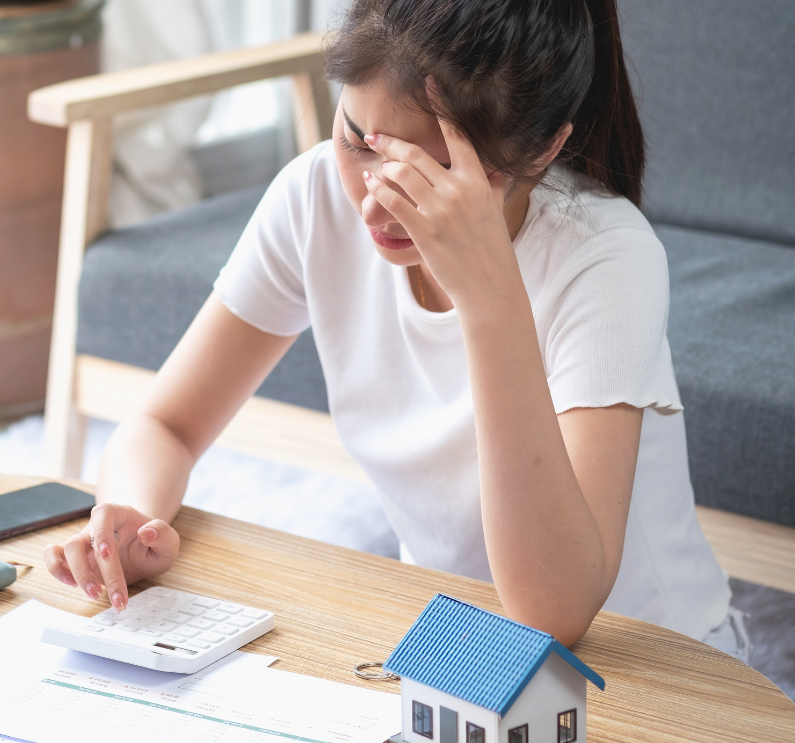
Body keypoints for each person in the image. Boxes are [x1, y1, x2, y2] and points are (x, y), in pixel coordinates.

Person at [43, 0, 748, 654]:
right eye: (359, 141)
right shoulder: (315, 194)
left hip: (640, 657)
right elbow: (165, 424)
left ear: (540, 151)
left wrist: (489, 295)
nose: (378, 206)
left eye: (433, 177)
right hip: (448, 635)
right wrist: (128, 514)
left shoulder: (603, 257)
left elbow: (553, 613)